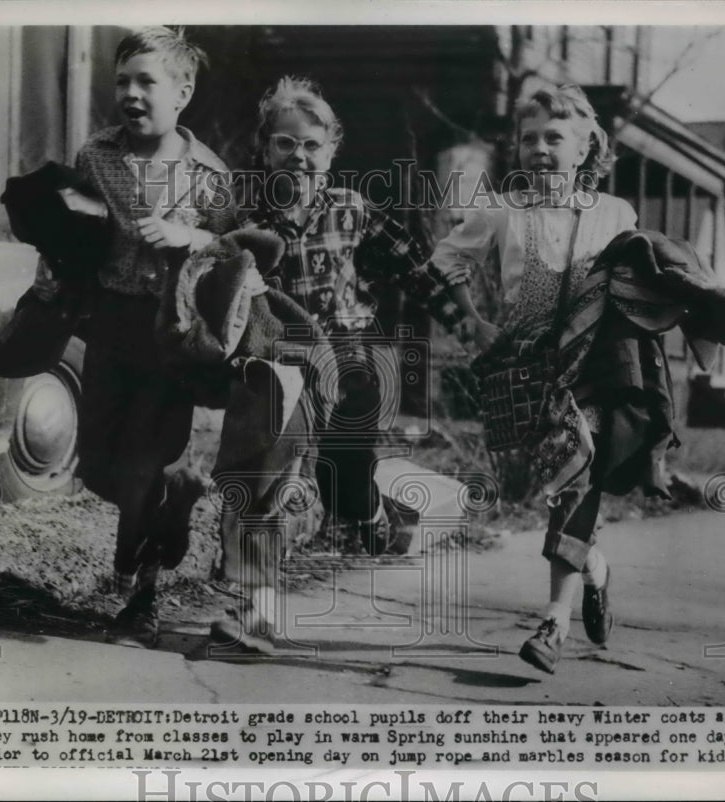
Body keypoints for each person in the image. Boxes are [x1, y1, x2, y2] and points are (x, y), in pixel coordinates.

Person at [220, 76, 466, 649]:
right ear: (265, 149)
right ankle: (259, 612)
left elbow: (413, 269)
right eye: (285, 143)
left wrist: (464, 325)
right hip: (281, 361)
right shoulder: (246, 219)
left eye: (311, 145)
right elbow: (215, 281)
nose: (298, 156)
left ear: (331, 151)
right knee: (267, 475)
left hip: (354, 361)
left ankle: (376, 517)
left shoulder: (351, 210)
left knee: (344, 484)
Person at [33, 26, 235, 647]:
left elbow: (234, 251)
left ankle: (142, 601)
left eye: (147, 81)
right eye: (122, 81)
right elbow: (70, 233)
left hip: (170, 332)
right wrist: (48, 290)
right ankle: (177, 495)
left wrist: (192, 238)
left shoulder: (208, 175)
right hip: (112, 325)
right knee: (95, 464)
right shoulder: (98, 156)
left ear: (183, 92)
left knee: (146, 458)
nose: (131, 93)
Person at [429, 84, 638, 673]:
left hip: (592, 371)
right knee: (543, 490)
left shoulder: (616, 215)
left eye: (554, 138)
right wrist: (474, 323)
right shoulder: (502, 211)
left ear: (586, 147)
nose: (540, 149)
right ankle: (593, 569)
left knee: (575, 485)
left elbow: (640, 287)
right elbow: (445, 261)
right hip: (526, 372)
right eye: (529, 138)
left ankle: (554, 622)